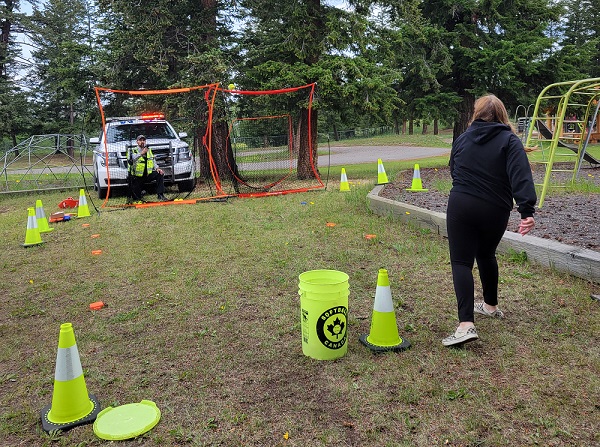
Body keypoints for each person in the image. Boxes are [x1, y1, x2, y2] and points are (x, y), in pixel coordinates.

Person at [442, 94, 537, 347]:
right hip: (495, 209)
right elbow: (521, 175)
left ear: (476, 113)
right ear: (503, 115)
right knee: (486, 254)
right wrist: (526, 211)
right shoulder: (510, 140)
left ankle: (465, 325)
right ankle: (491, 306)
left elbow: (454, 168)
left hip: (461, 203)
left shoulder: (463, 139)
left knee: (461, 261)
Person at [128, 135, 167, 202]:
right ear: (137, 142)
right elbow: (131, 160)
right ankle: (140, 193)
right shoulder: (132, 150)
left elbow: (152, 160)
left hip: (147, 175)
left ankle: (160, 195)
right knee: (136, 198)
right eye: (140, 140)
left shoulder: (148, 150)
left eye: (143, 140)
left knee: (159, 174)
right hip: (137, 177)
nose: (142, 142)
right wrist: (141, 153)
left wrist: (157, 168)